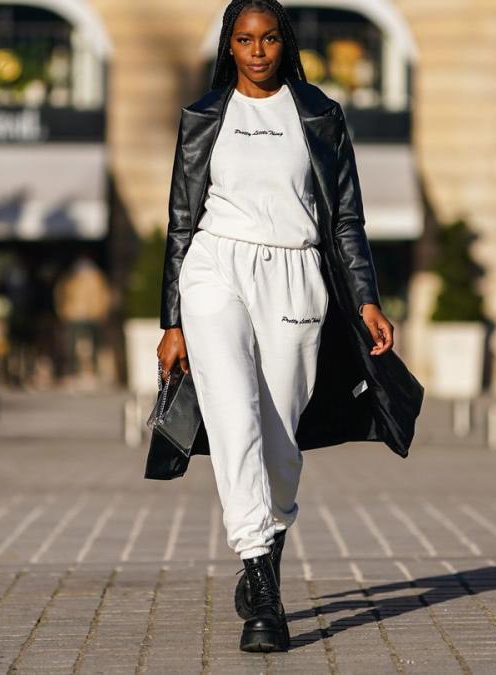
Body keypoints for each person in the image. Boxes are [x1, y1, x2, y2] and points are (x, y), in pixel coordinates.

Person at [153, 0, 423, 653]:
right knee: (234, 415)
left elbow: (346, 219)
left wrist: (365, 299)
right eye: (244, 39)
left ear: (284, 41)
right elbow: (182, 222)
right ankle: (263, 588)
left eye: (268, 37)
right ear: (229, 46)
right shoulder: (204, 119)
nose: (257, 50)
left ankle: (263, 558)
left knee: (279, 437)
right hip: (215, 268)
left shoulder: (321, 117)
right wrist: (172, 320)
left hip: (296, 275)